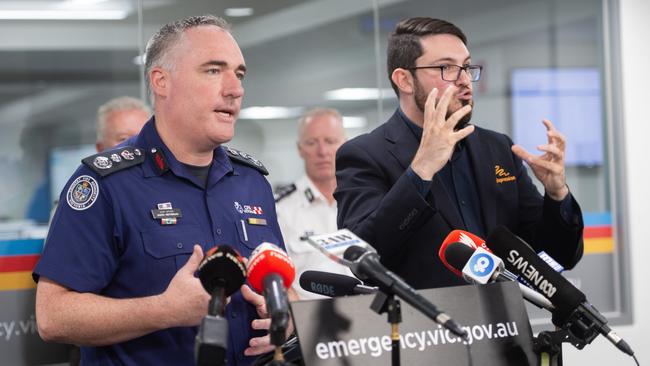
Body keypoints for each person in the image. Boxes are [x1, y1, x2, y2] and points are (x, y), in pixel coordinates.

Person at [33, 15, 285, 365]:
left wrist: (284, 319)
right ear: (161, 81)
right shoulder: (107, 184)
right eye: (213, 70)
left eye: (239, 74)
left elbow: (279, 284)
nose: (234, 88)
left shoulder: (252, 182)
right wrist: (163, 310)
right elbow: (53, 317)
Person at [334, 17, 584, 290]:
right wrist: (420, 172)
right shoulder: (365, 155)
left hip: (502, 325)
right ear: (404, 80)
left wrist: (557, 195)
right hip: (422, 328)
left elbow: (559, 255)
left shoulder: (498, 149)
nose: (465, 81)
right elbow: (362, 260)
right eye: (446, 68)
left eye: (466, 67)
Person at [275, 108, 353, 299]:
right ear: (300, 149)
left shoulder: (361, 202)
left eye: (330, 141)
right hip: (307, 321)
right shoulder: (279, 210)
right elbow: (276, 280)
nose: (322, 151)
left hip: (366, 317)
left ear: (345, 144)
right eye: (311, 143)